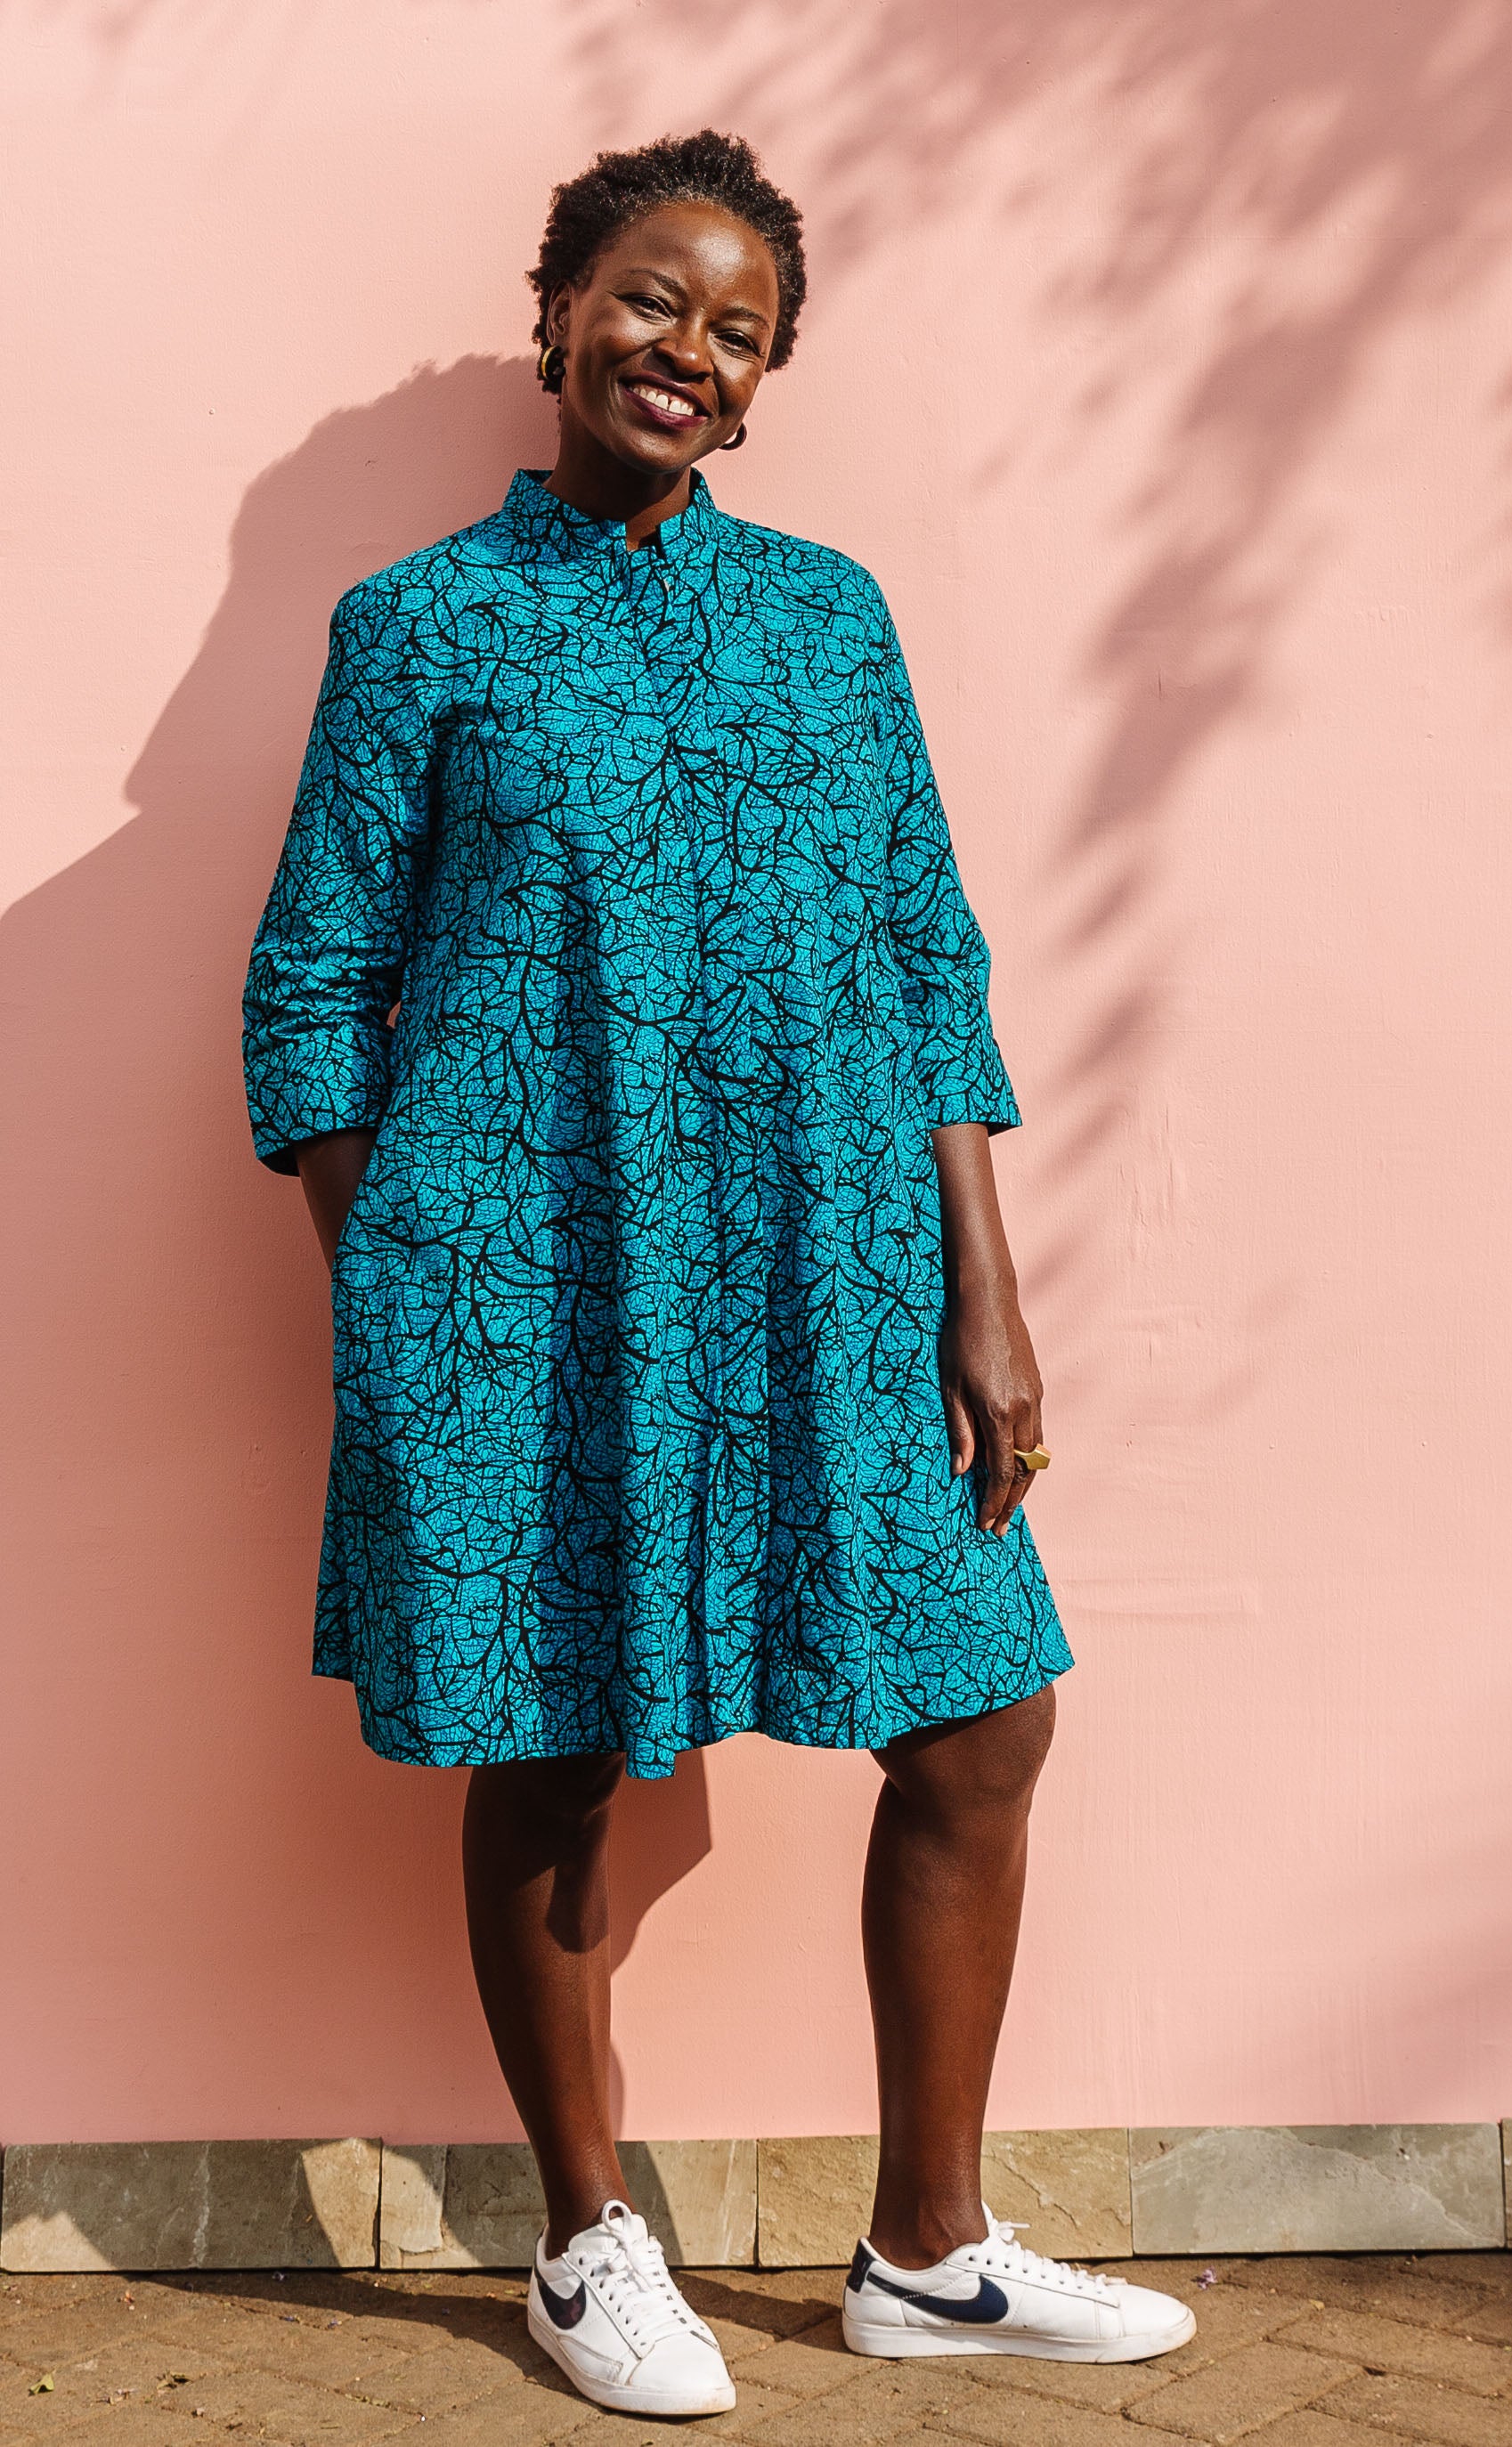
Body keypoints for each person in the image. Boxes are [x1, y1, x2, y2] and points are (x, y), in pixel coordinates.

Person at [242, 128, 1193, 2421]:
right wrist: (404, 1297)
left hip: (826, 1272)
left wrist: (988, 1281)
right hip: (534, 1301)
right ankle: (586, 2244)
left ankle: (929, 2252)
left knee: (984, 1712)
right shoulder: (421, 628)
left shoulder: (828, 616)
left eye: (738, 331)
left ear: (765, 385)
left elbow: (923, 959)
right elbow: (307, 997)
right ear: (561, 308)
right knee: (559, 1746)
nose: (689, 351)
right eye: (653, 303)